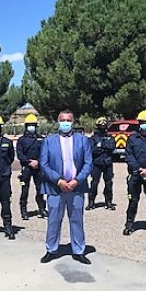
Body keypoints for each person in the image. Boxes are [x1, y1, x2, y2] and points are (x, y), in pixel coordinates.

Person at [39, 109, 93, 264]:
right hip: (56, 187)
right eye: (63, 120)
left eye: (68, 120)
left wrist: (77, 180)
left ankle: (78, 250)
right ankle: (51, 249)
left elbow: (88, 163)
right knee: (54, 220)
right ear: (58, 121)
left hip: (77, 187)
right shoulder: (49, 141)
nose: (65, 123)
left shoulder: (82, 140)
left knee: (76, 219)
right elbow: (44, 164)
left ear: (73, 122)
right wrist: (59, 181)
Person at [16, 113, 47, 220]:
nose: (31, 127)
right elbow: (20, 154)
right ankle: (24, 210)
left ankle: (42, 208)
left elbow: (45, 153)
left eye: (33, 125)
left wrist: (38, 162)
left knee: (40, 189)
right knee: (25, 190)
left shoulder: (41, 139)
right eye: (30, 125)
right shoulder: (21, 140)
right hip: (26, 168)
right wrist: (29, 162)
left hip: (38, 168)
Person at [87, 116, 116, 210]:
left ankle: (109, 202)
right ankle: (91, 202)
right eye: (101, 125)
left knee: (108, 183)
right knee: (94, 183)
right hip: (96, 163)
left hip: (108, 163)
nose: (103, 126)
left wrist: (101, 146)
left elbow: (112, 147)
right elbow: (92, 150)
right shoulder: (93, 138)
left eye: (105, 125)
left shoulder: (109, 137)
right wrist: (103, 147)